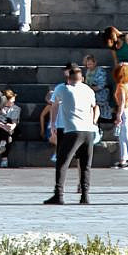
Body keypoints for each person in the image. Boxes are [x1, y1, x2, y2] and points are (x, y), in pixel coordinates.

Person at [43, 61, 100, 206]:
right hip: (88, 131)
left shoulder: (62, 88)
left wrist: (53, 124)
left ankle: (59, 194)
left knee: (62, 162)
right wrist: (93, 121)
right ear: (81, 78)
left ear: (69, 77)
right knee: (85, 164)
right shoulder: (88, 90)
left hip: (72, 131)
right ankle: (85, 196)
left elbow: (54, 104)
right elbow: (95, 107)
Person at [111, 59, 128, 170]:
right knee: (124, 136)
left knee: (125, 136)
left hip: (125, 111)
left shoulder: (121, 86)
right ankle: (124, 160)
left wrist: (118, 115)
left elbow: (122, 102)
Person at [0, 87, 22, 169]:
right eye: (10, 101)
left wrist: (11, 126)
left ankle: (4, 153)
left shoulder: (16, 108)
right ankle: (4, 158)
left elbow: (15, 121)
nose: (12, 103)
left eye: (13, 101)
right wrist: (3, 126)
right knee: (8, 137)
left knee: (8, 135)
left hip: (11, 129)